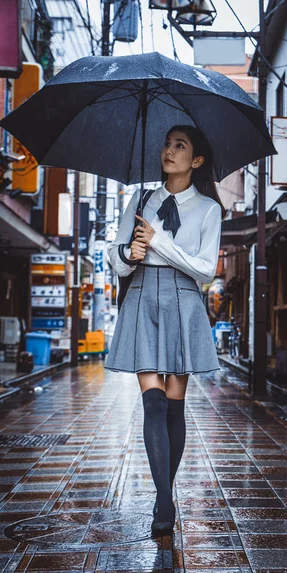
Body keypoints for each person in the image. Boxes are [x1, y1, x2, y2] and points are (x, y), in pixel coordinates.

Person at [106, 125, 224, 537]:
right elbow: (118, 261)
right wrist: (129, 252)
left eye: (180, 146)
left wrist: (157, 243)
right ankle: (165, 500)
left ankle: (162, 493)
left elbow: (206, 269)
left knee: (174, 406)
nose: (168, 151)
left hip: (183, 301)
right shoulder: (139, 200)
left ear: (196, 161)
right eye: (167, 144)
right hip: (141, 297)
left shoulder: (209, 209)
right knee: (152, 403)